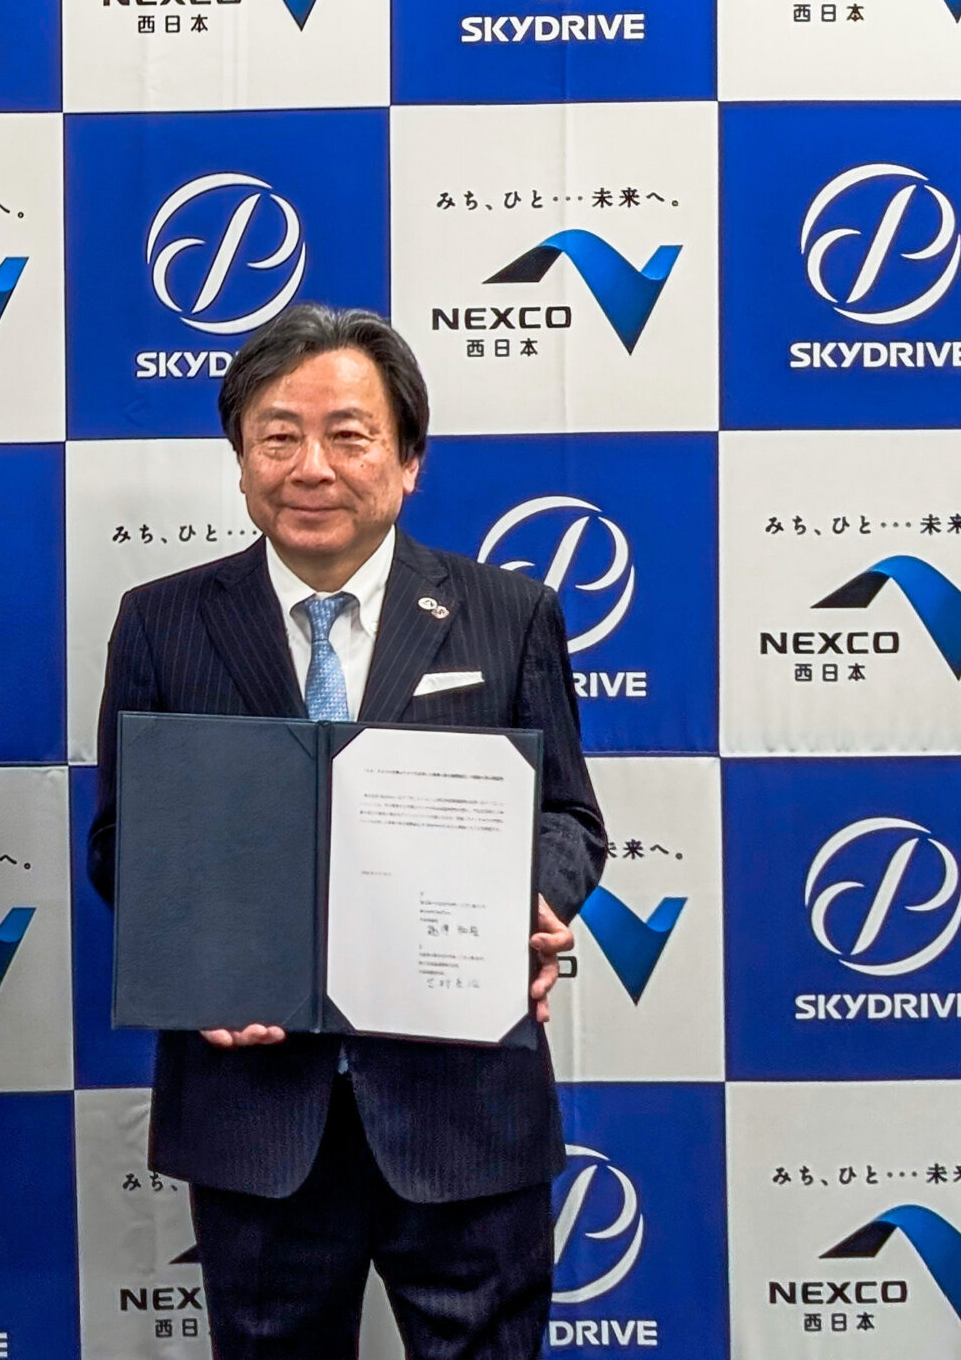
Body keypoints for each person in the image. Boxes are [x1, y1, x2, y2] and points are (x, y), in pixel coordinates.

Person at [88, 303, 605, 1360]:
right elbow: (121, 842)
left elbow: (568, 815)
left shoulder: (508, 612)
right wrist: (201, 965)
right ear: (238, 458)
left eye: (348, 433)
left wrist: (530, 904)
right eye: (277, 435)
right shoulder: (162, 620)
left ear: (408, 458)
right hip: (254, 1108)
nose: (309, 465)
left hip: (463, 1100)